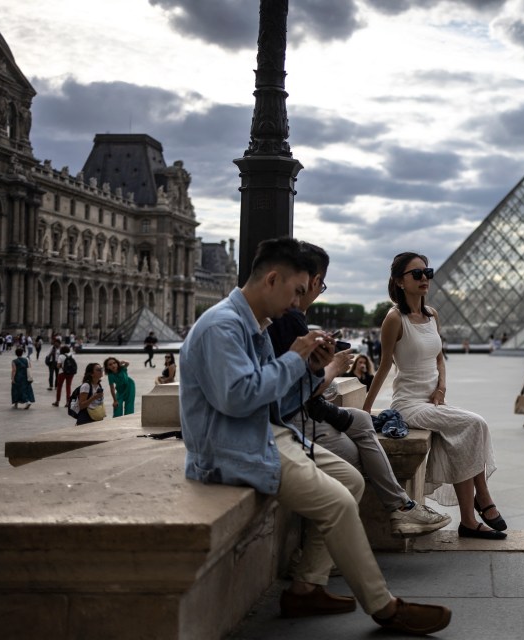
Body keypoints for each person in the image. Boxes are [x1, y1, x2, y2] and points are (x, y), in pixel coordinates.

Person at [179, 237, 450, 634]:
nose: (297, 302)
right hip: (233, 447)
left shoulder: (251, 324)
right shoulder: (224, 326)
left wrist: (308, 367)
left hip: (264, 434)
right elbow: (239, 397)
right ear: (273, 279)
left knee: (352, 481)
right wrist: (294, 357)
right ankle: (383, 605)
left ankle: (307, 586)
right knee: (339, 501)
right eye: (297, 290)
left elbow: (273, 394)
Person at [267, 242, 451, 540]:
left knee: (364, 422)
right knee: (353, 460)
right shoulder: (288, 320)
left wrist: (320, 365)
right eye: (316, 286)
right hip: (294, 419)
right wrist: (332, 367)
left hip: (307, 411)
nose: (310, 293)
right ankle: (399, 509)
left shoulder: (286, 319)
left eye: (426, 272)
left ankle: (402, 507)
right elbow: (299, 391)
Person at [363, 252, 506, 541]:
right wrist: (364, 410)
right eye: (416, 274)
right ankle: (484, 497)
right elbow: (384, 366)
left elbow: (440, 358)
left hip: (433, 400)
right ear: (399, 282)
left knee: (463, 439)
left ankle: (468, 521)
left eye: (427, 272)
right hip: (409, 404)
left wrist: (441, 388)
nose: (425, 278)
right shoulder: (394, 319)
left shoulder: (432, 315)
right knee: (475, 423)